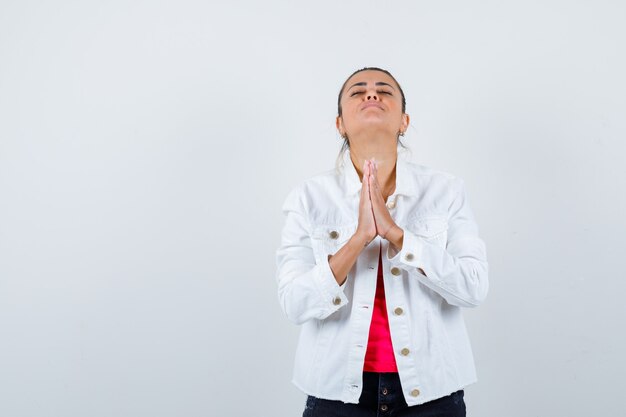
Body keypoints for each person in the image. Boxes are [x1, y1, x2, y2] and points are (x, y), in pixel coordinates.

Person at [275, 67, 489, 417]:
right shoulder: (308, 198)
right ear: (340, 124)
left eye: (384, 91)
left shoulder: (446, 191)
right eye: (358, 91)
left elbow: (473, 288)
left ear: (404, 121)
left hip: (433, 395)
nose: (371, 95)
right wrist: (360, 238)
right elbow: (294, 304)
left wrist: (397, 235)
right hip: (336, 396)